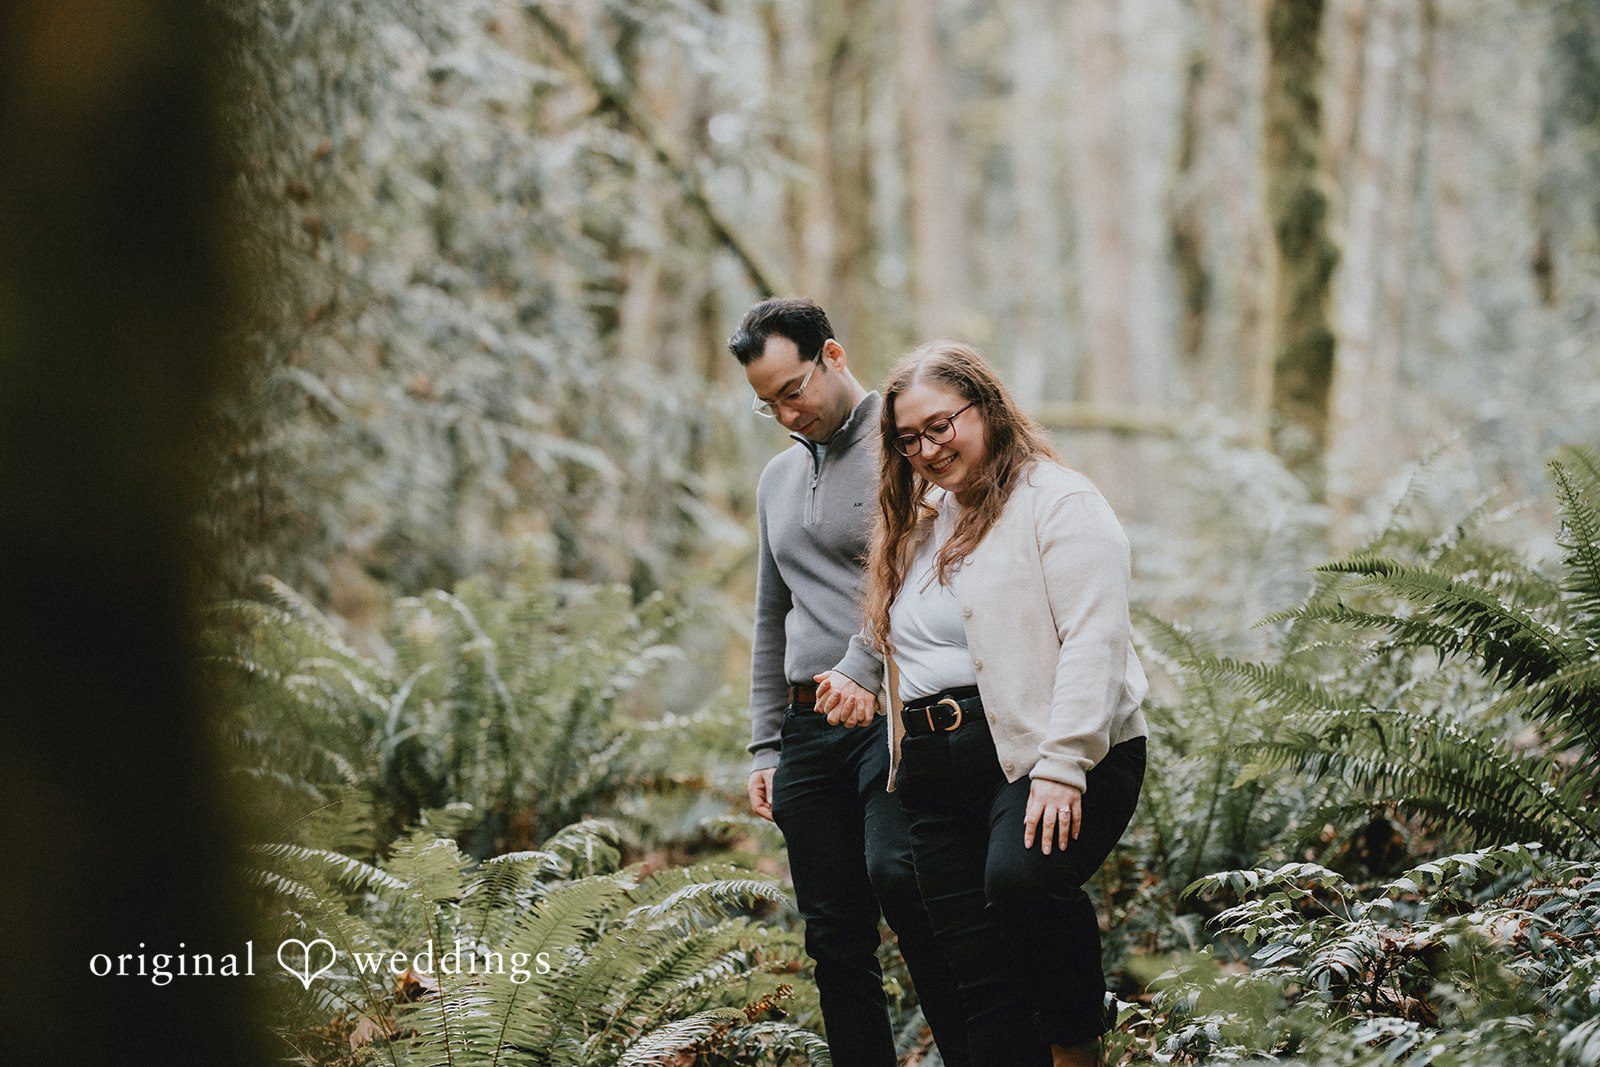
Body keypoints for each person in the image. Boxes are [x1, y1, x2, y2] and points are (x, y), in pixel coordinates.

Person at [816, 340, 1149, 1067]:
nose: (928, 449)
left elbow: (1097, 638)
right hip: (936, 761)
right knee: (971, 954)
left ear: (987, 407)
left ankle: (1075, 1049)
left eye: (941, 426)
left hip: (1050, 745)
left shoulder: (1059, 501)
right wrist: (857, 676)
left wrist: (1064, 765)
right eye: (909, 439)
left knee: (1021, 879)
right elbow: (899, 633)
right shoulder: (922, 522)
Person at [729, 300, 969, 1066]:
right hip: (806, 728)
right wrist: (765, 744)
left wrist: (861, 667)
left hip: (888, 710)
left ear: (832, 355)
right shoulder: (775, 478)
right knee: (834, 933)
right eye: (767, 402)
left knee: (903, 880)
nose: (785, 412)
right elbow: (773, 615)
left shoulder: (901, 448)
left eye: (792, 390)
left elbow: (914, 569)